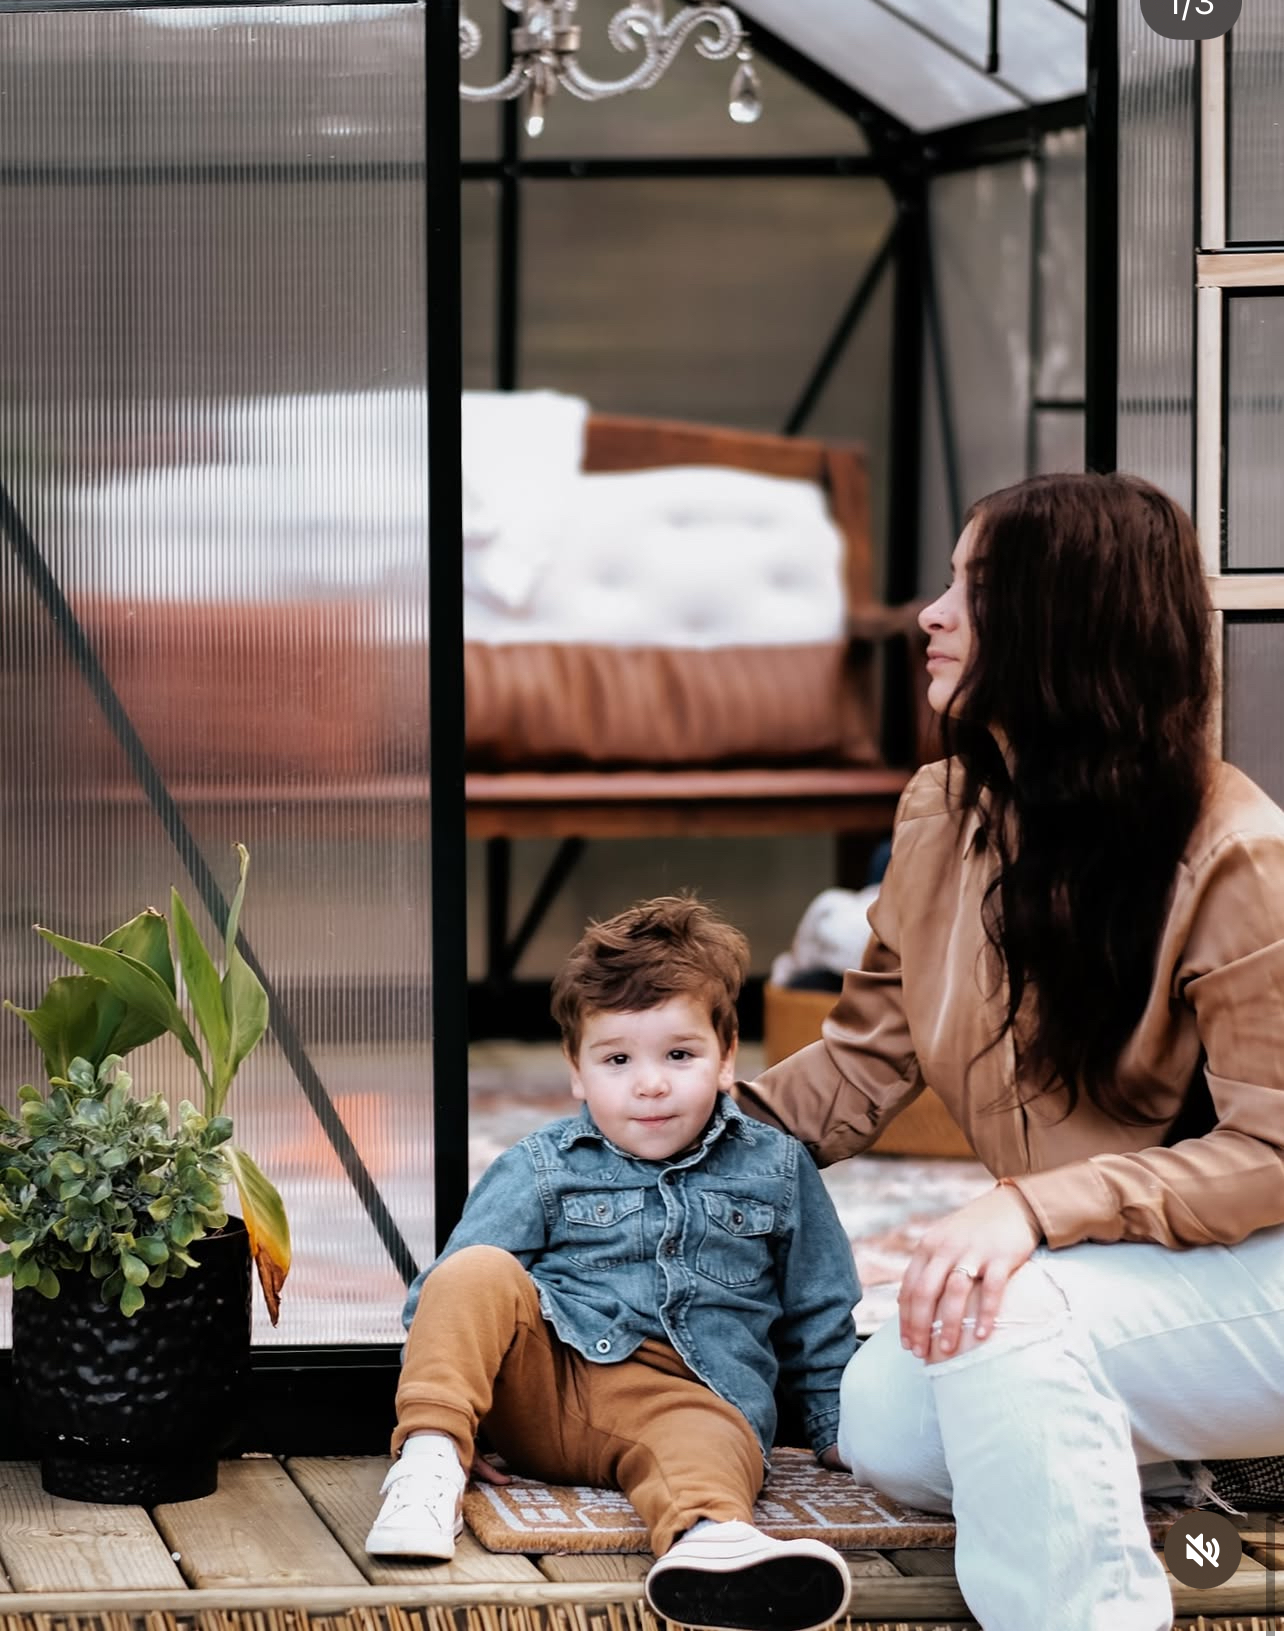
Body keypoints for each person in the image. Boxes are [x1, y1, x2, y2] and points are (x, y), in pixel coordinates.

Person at [737, 471, 1284, 1631]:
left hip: (1262, 1265)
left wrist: (1032, 1207)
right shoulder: (943, 815)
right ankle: (1206, 1473)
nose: (930, 615)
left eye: (973, 589)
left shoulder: (1237, 854)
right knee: (886, 1417)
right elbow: (861, 1058)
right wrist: (660, 1133)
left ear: (1064, 625)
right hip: (1121, 1268)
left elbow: (1277, 1151)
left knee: (1006, 1318)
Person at [366, 895, 860, 1633]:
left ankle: (709, 1543)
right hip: (550, 1384)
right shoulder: (544, 1165)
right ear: (577, 1070)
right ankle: (430, 1463)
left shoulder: (777, 1168)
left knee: (708, 1447)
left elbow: (818, 1305)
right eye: (618, 1060)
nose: (650, 1083)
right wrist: (459, 1413)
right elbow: (438, 1305)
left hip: (690, 1395)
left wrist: (833, 1426)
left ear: (727, 1056)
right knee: (473, 1271)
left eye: (679, 1056)